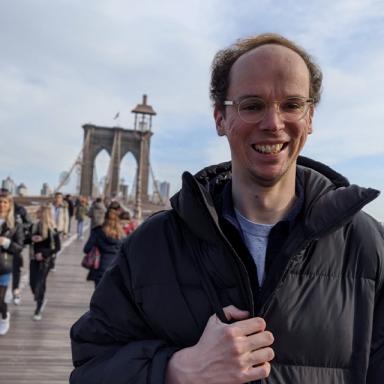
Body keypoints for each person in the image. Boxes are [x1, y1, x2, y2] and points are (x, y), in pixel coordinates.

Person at [70, 33, 384, 383]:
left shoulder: (369, 246)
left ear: (310, 118)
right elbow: (90, 367)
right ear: (220, 118)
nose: (273, 123)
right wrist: (176, 370)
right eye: (252, 105)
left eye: (292, 105)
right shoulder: (152, 246)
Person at [0, 187, 32, 306]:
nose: (2, 203)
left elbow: (29, 223)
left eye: (5, 199)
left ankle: (15, 291)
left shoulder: (20, 210)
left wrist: (18, 230)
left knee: (16, 271)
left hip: (12, 250)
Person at [29, 204, 60, 320]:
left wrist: (44, 254)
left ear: (44, 214)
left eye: (39, 212)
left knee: (40, 283)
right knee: (32, 283)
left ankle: (38, 308)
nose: (37, 213)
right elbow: (26, 239)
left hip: (45, 261)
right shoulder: (34, 226)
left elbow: (57, 247)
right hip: (33, 259)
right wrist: (31, 239)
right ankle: (39, 298)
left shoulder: (53, 229)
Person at [0, 191, 24, 335]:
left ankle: (4, 317)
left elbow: (19, 247)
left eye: (5, 202)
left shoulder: (15, 224)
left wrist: (6, 242)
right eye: (0, 202)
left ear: (10, 205)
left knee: (0, 299)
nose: (2, 205)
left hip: (4, 266)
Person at [83, 208, 125, 288]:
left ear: (105, 218)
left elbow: (86, 249)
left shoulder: (98, 231)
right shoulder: (122, 235)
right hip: (117, 269)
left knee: (99, 295)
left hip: (100, 268)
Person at [50, 192, 69, 270]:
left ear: (62, 199)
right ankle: (51, 262)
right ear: (54, 198)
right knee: (50, 246)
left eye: (60, 197)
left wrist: (65, 232)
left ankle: (53, 260)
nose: (58, 199)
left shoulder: (64, 208)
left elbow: (66, 220)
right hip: (50, 229)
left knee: (57, 248)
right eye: (57, 197)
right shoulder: (50, 206)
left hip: (59, 230)